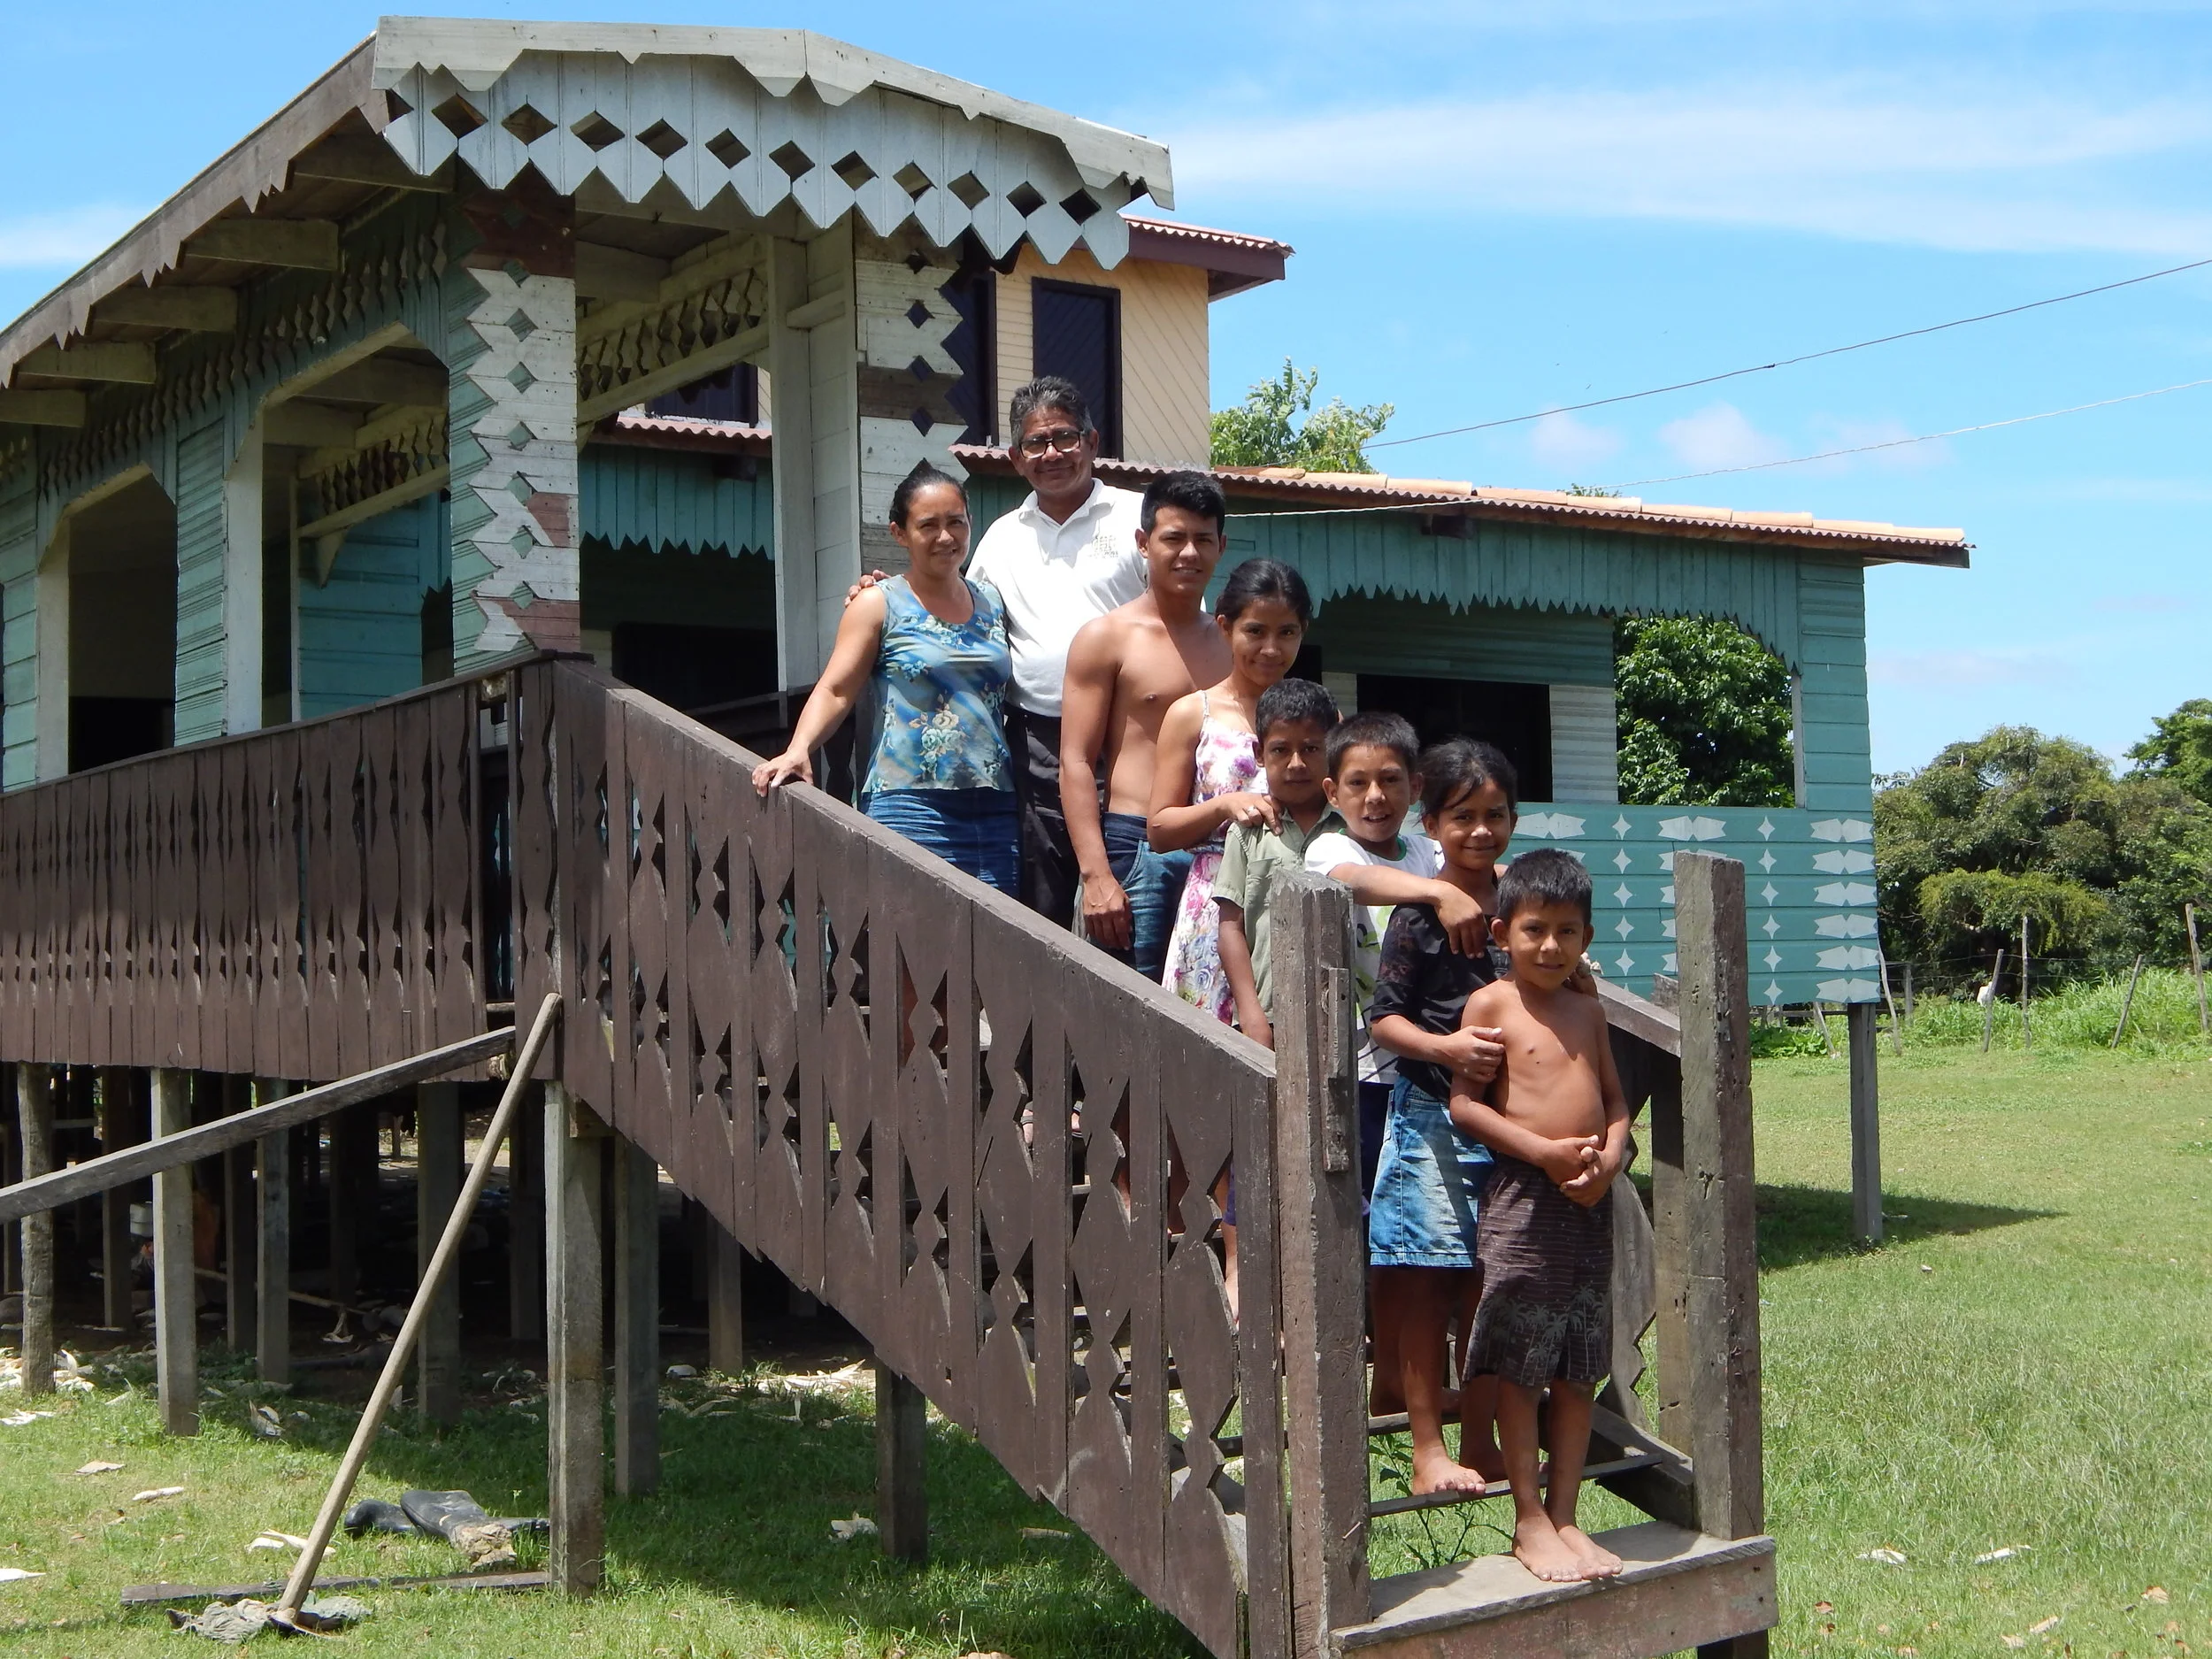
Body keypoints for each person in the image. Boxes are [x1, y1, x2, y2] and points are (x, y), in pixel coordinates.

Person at [1302, 713, 1506, 1417]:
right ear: (1334, 790)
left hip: (1429, 1076)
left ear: (1414, 787)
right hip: (1361, 1070)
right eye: (1357, 782)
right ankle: (1385, 1371)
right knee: (1385, 1236)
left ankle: (1408, 1376)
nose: (1375, 795)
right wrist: (1438, 893)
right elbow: (1355, 881)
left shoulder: (1426, 847)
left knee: (1429, 1238)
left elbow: (1481, 863)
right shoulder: (1327, 848)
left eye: (1390, 780)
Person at [1450, 849, 1632, 1584]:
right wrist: (1543, 1152)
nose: (1550, 946)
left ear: (1587, 937)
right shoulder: (1491, 1005)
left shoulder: (1590, 1010)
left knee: (1579, 1367)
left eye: (1566, 931)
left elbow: (1615, 1100)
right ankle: (1528, 1518)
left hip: (1589, 1203)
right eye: (1534, 930)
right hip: (1523, 1201)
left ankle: (1567, 1514)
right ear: (1502, 932)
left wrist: (1611, 1158)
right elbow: (1463, 1106)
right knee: (1522, 1369)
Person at [1364, 741, 1520, 1494]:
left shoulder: (1523, 911)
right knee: (1429, 1283)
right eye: (1463, 816)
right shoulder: (1418, 915)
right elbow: (1384, 1021)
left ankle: (1484, 1442)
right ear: (1431, 823)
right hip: (1431, 1120)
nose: (1481, 830)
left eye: (1496, 815)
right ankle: (1430, 1449)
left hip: (1513, 1128)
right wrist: (1449, 1047)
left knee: (1488, 1286)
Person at [751, 464, 1018, 892]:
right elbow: (837, 689)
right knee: (913, 943)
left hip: (994, 806)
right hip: (910, 805)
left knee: (995, 950)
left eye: (956, 522)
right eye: (928, 525)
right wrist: (798, 748)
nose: (945, 537)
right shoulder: (878, 603)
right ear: (900, 533)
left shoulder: (991, 602)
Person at [964, 377, 1148, 923]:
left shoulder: (1139, 518)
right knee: (1041, 903)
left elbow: (1183, 617)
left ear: (1092, 441)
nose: (1052, 454)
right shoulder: (1001, 538)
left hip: (1130, 737)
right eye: (1036, 444)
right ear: (1017, 459)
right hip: (1037, 741)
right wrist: (883, 593)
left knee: (1129, 896)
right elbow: (959, 613)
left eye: (1064, 437)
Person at [1058, 472, 1231, 981]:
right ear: (1143, 543)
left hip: (1223, 846)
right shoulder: (1106, 638)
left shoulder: (1232, 643)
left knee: (1214, 1009)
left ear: (1221, 546)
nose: (1189, 553)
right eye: (1173, 538)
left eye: (1203, 540)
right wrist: (1096, 875)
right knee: (1125, 1011)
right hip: (1134, 846)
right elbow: (1075, 762)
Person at [1148, 559, 1312, 1021]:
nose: (1271, 648)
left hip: (1296, 904)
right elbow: (1160, 829)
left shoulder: (1320, 721)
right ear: (1225, 626)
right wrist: (1225, 804)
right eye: (1255, 631)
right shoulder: (1191, 714)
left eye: (1287, 633)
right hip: (1216, 908)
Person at [1214, 678, 1342, 1049]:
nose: (1297, 763)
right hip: (1268, 1013)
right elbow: (1230, 929)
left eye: (1311, 748)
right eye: (1281, 750)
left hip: (1342, 1014)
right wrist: (1251, 1014)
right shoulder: (1246, 834)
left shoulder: (1351, 830)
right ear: (1259, 753)